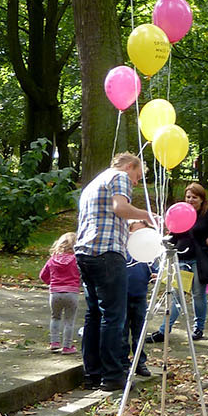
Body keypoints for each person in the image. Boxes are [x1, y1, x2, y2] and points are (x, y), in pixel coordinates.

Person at [75, 153, 154, 392]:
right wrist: (148, 216)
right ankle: (112, 376)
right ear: (130, 166)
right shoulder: (119, 176)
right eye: (137, 176)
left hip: (85, 252)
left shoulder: (93, 183)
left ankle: (92, 373)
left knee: (94, 314)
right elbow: (120, 207)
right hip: (107, 252)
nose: (136, 183)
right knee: (113, 316)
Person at [150, 183, 208, 342]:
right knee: (176, 295)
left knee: (198, 294)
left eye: (194, 197)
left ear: (202, 199)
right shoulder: (181, 213)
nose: (190, 200)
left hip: (199, 260)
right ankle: (164, 330)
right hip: (181, 259)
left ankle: (198, 328)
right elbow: (175, 235)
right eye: (188, 197)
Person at [39, 232, 81, 354]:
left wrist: (52, 283)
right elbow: (83, 274)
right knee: (69, 320)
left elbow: (42, 275)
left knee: (55, 317)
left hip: (55, 293)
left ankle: (54, 343)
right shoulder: (76, 260)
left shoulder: (52, 259)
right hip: (72, 293)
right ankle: (67, 346)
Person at [125, 222, 153, 377]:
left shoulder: (147, 253)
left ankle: (139, 362)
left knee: (139, 331)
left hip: (140, 296)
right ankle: (123, 362)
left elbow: (154, 270)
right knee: (122, 331)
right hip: (122, 296)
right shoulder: (122, 250)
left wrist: (155, 275)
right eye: (137, 231)